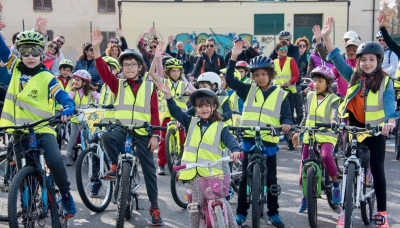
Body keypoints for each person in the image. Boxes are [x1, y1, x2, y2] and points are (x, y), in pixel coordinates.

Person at [322, 16, 397, 228]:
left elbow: (390, 103)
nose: (367, 63)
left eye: (372, 60)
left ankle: (382, 214)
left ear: (378, 61)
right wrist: (327, 38)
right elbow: (336, 57)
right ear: (359, 61)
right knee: (348, 167)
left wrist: (390, 120)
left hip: (376, 130)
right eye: (364, 59)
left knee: (378, 169)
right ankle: (345, 212)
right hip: (353, 128)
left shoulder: (385, 81)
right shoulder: (353, 76)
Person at [0, 26, 77, 218]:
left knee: (55, 161)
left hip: (43, 129)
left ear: (41, 54)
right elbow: (2, 49)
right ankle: (27, 208)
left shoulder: (47, 77)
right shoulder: (15, 68)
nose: (30, 56)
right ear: (20, 53)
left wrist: (68, 106)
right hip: (19, 131)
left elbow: (61, 95)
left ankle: (66, 196)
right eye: (25, 51)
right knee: (21, 175)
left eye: (35, 51)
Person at [91, 29, 163, 226]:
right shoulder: (117, 84)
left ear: (140, 67)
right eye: (126, 64)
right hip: (123, 127)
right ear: (122, 67)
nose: (129, 67)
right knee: (106, 136)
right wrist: (97, 48)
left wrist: (155, 135)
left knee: (149, 169)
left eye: (133, 64)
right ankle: (115, 164)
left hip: (143, 131)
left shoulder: (149, 87)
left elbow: (155, 112)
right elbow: (104, 72)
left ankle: (155, 207)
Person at [156, 84, 242, 228]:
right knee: (196, 203)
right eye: (199, 106)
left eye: (207, 106)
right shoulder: (191, 122)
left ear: (214, 107)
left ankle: (233, 226)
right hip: (194, 172)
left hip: (213, 171)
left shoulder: (220, 126)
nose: (204, 109)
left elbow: (230, 140)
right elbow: (176, 112)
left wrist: (235, 150)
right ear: (195, 109)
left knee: (221, 199)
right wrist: (169, 97)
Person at [226, 42, 292, 228]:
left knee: (271, 178)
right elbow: (230, 80)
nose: (260, 78)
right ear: (252, 76)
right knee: (245, 178)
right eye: (256, 75)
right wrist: (233, 57)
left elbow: (286, 115)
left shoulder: (280, 94)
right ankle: (241, 213)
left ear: (270, 74)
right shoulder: (249, 90)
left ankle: (274, 213)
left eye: (263, 74)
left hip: (269, 140)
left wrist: (286, 124)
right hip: (248, 138)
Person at [292, 65, 341, 213]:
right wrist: (297, 132)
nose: (316, 84)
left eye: (320, 81)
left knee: (326, 156)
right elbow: (306, 117)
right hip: (310, 134)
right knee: (303, 166)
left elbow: (334, 114)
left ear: (328, 82)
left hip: (326, 135)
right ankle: (305, 195)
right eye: (315, 81)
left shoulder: (334, 98)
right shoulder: (310, 96)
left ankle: (335, 185)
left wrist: (333, 121)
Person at [148, 41, 194, 175]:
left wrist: (190, 94)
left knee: (183, 140)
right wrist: (156, 57)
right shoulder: (164, 82)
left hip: (180, 115)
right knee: (163, 140)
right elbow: (151, 72)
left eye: (178, 70)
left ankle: (181, 163)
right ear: (168, 71)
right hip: (166, 115)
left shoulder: (184, 85)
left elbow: (194, 94)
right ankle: (161, 164)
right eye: (173, 70)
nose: (175, 73)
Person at [312, 25, 360, 98]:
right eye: (348, 48)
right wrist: (319, 42)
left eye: (354, 49)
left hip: (358, 99)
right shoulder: (342, 60)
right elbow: (328, 75)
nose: (351, 51)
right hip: (342, 99)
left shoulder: (363, 64)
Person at [64, 70, 100, 166]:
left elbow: (99, 98)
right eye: (74, 79)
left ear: (84, 82)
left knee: (92, 135)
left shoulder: (91, 92)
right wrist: (65, 106)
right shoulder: (73, 91)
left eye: (78, 80)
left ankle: (92, 153)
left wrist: (100, 104)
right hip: (75, 118)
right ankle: (68, 155)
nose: (75, 82)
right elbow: (67, 99)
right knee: (73, 136)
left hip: (87, 118)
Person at [273, 40, 299, 150]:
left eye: (286, 49)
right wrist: (277, 85)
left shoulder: (291, 60)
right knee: (277, 116)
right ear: (277, 50)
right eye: (282, 49)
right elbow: (273, 77)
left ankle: (291, 141)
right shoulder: (273, 62)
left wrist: (289, 82)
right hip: (278, 92)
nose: (284, 51)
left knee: (288, 117)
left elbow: (296, 75)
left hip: (289, 92)